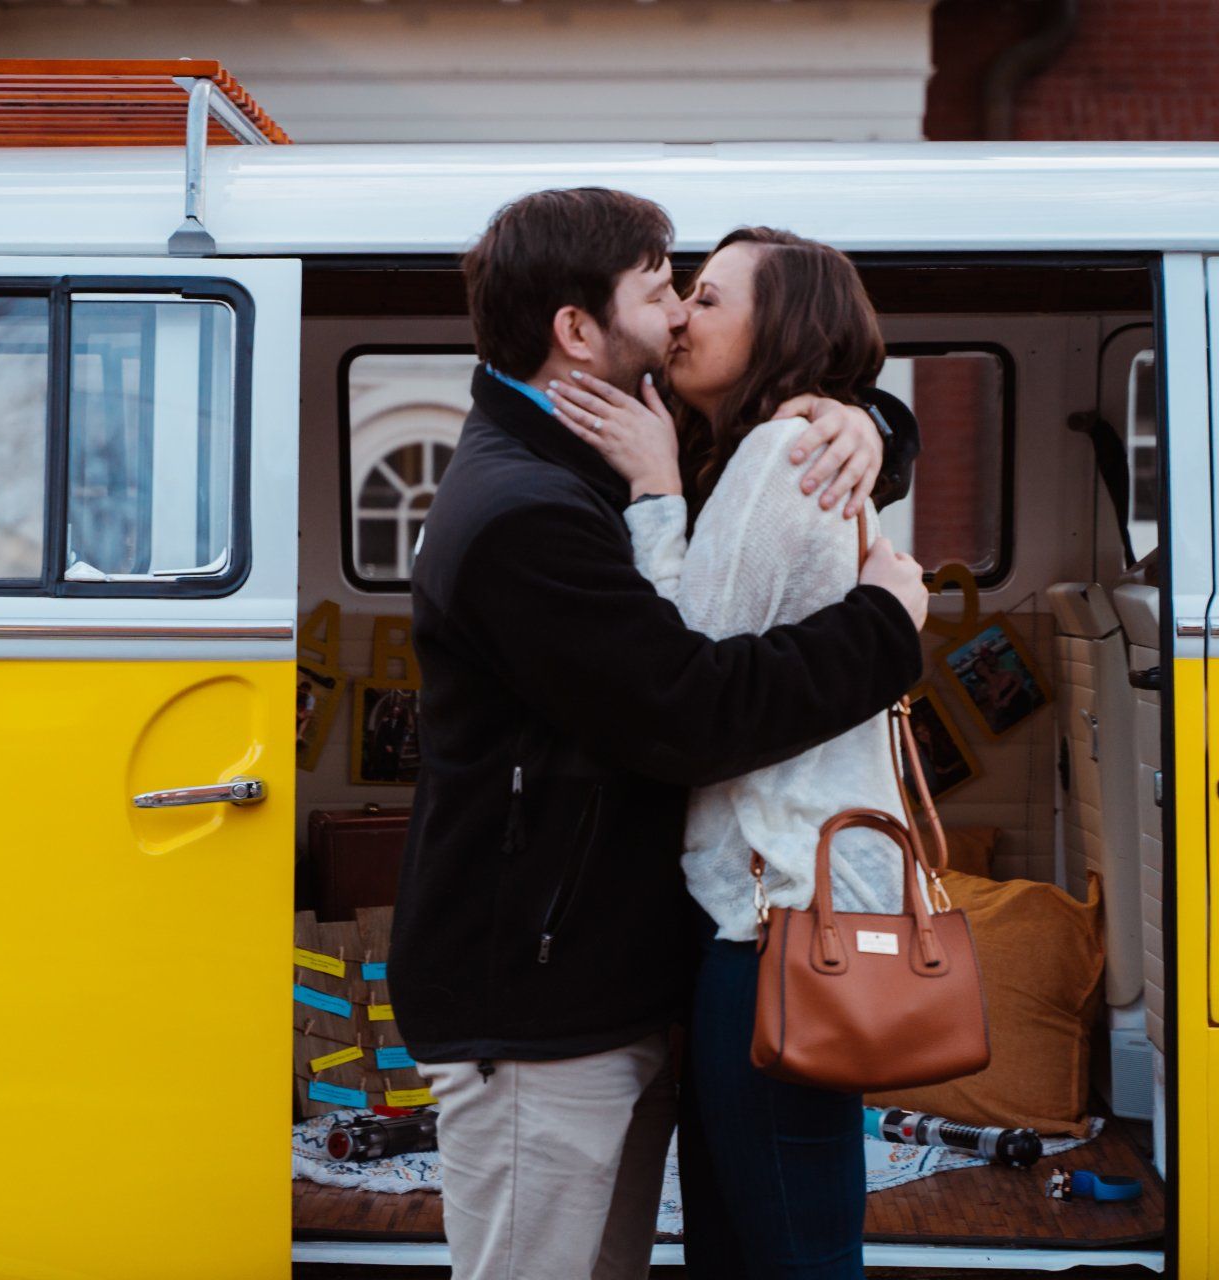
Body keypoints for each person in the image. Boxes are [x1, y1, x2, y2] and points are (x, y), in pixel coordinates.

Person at [387, 190, 928, 1280]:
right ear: (578, 332)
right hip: (536, 1010)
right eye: (660, 288)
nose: (679, 311)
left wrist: (871, 419)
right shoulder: (526, 512)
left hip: (606, 986)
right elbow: (690, 708)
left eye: (695, 291)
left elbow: (796, 397)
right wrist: (884, 624)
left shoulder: (617, 435)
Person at [545, 226, 920, 1277]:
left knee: (783, 1244)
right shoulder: (782, 446)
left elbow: (684, 676)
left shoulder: (773, 454)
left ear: (783, 328)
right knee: (755, 1231)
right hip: (779, 911)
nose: (683, 317)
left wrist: (657, 491)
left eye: (711, 298)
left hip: (773, 924)